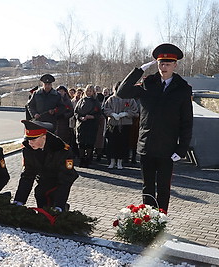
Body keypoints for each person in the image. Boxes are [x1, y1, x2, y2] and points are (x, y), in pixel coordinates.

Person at [117, 43, 193, 212]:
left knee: (164, 189)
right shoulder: (148, 84)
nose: (163, 67)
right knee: (147, 188)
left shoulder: (183, 89)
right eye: (160, 63)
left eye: (167, 64)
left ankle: (161, 220)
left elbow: (187, 122)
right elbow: (122, 92)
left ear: (175, 65)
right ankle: (148, 220)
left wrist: (181, 150)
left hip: (168, 149)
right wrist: (138, 71)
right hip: (147, 146)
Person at [13, 120, 78, 212]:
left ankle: (63, 209)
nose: (30, 143)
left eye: (33, 140)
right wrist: (19, 201)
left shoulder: (62, 150)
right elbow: (27, 175)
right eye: (28, 139)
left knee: (54, 206)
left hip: (59, 181)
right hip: (43, 181)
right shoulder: (28, 149)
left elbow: (65, 179)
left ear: (43, 137)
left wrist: (59, 205)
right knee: (41, 198)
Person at [104, 82, 139, 169]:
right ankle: (112, 161)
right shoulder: (111, 99)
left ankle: (120, 161)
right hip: (113, 124)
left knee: (123, 144)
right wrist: (112, 114)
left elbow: (135, 110)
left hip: (125, 124)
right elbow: (105, 109)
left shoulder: (130, 99)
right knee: (112, 143)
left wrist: (125, 114)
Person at [74, 85, 102, 167]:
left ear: (93, 92)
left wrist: (91, 116)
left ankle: (88, 159)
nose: (88, 93)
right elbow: (76, 112)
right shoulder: (81, 101)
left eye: (90, 91)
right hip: (81, 124)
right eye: (87, 91)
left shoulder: (95, 102)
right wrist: (79, 117)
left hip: (91, 124)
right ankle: (81, 159)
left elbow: (99, 113)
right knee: (81, 142)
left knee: (90, 142)